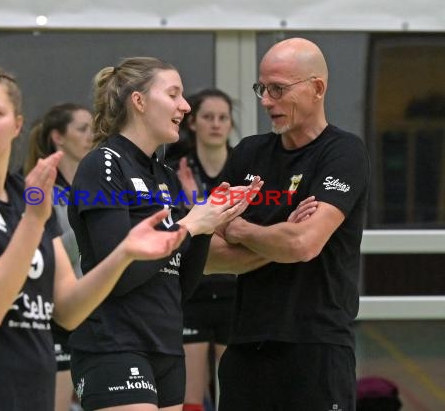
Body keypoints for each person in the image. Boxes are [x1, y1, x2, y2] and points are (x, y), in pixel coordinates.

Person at [0, 66, 192, 411]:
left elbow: (68, 311)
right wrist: (33, 222)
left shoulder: (24, 194)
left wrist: (124, 254)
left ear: (16, 124)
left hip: (33, 391)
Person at [66, 56, 261, 411]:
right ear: (139, 101)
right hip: (113, 342)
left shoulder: (166, 177)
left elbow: (181, 285)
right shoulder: (103, 164)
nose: (185, 107)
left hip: (166, 345)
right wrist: (190, 225)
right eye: (173, 94)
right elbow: (120, 274)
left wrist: (208, 224)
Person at [207, 37, 370, 411]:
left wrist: (239, 230)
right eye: (262, 88)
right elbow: (205, 254)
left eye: (278, 89)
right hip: (246, 345)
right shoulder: (247, 153)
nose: (265, 100)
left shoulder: (343, 153)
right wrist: (279, 238)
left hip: (316, 346)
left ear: (317, 88)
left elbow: (304, 245)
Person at [165, 88, 236, 411]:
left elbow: (239, 230)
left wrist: (199, 209)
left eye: (223, 118)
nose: (216, 124)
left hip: (234, 290)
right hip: (192, 290)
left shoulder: (242, 166)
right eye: (208, 117)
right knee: (190, 397)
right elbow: (179, 230)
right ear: (192, 122)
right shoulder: (174, 168)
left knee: (231, 392)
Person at [24, 102, 94, 411]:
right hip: (54, 311)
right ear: (58, 137)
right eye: (82, 129)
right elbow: (40, 250)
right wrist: (90, 229)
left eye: (92, 127)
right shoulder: (37, 188)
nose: (91, 135)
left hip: (92, 308)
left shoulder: (95, 185)